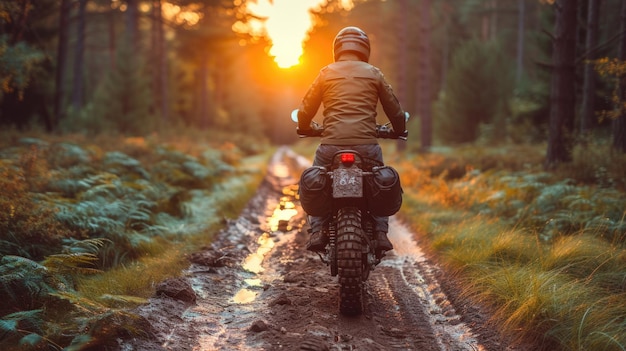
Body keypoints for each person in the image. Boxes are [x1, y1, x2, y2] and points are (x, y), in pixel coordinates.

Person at [296, 26, 408, 253]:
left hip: (330, 146)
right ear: (364, 49)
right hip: (366, 146)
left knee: (318, 176)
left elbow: (305, 110)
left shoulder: (326, 72)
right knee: (377, 180)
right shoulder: (374, 73)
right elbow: (394, 110)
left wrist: (305, 127)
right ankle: (379, 232)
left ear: (337, 49)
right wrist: (398, 130)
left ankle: (318, 230)